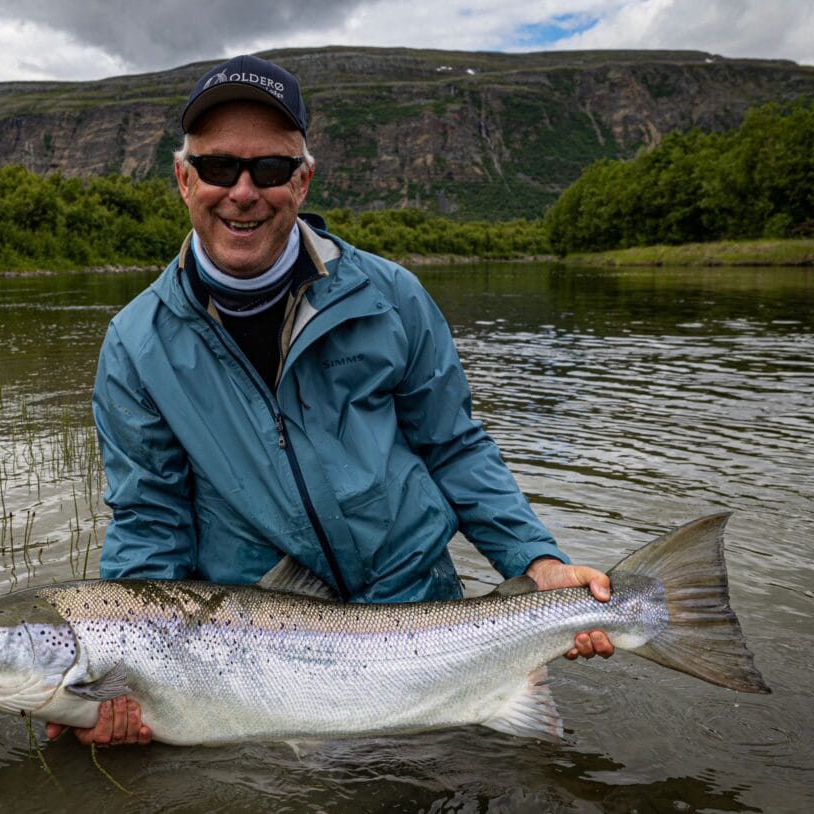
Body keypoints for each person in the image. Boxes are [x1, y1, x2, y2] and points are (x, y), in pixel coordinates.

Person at [47, 54, 613, 747]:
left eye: (271, 170)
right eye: (220, 168)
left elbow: (454, 446)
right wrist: (126, 677)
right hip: (254, 660)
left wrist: (535, 561)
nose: (244, 192)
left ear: (304, 178)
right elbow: (151, 519)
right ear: (184, 179)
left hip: (422, 621)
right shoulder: (136, 345)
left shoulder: (393, 296)